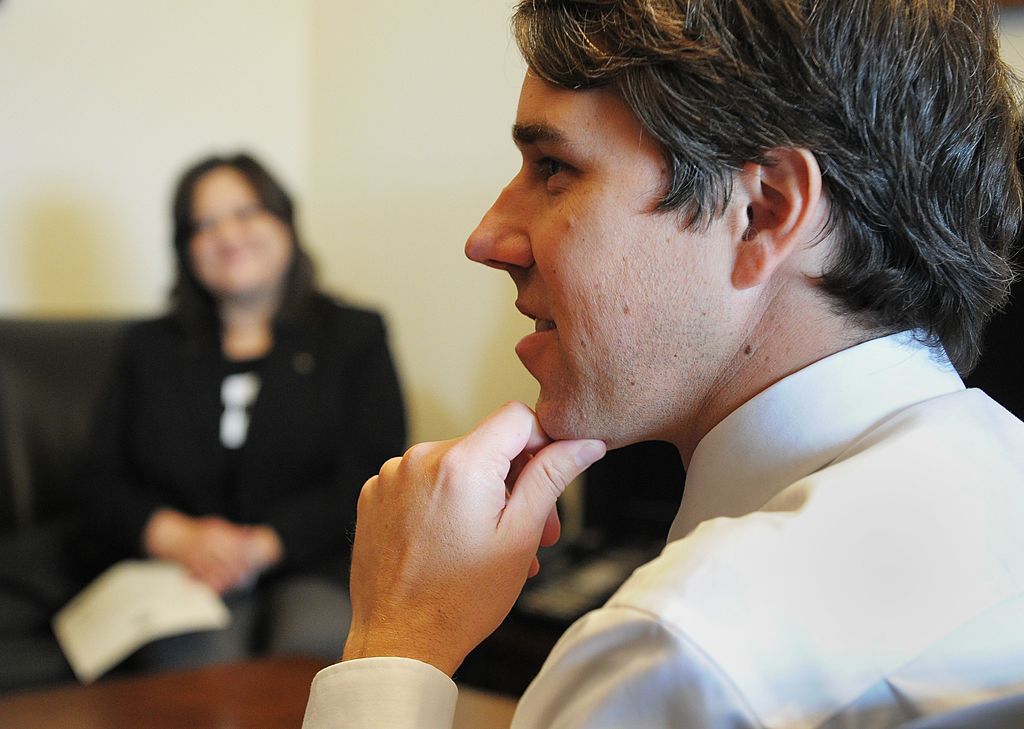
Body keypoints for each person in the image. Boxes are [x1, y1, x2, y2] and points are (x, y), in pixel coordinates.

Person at [303, 0, 1024, 726]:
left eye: (554, 168)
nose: (488, 239)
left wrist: (396, 639)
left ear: (764, 211)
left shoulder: (681, 656)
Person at [81, 153, 406, 669]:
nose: (227, 235)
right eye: (204, 224)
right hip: (179, 573)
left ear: (284, 220)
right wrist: (182, 538)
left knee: (314, 646)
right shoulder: (146, 348)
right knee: (192, 664)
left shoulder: (354, 336)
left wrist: (258, 547)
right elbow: (100, 484)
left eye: (246, 213)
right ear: (186, 248)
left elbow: (374, 475)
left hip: (313, 562)